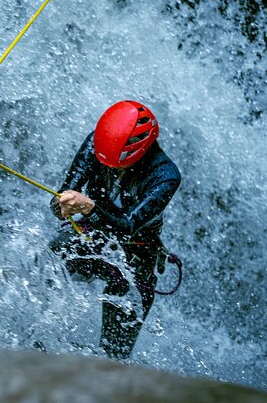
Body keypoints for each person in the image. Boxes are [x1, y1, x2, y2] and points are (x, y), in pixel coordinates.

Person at [49, 100, 181, 359]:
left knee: (114, 357)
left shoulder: (165, 175)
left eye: (114, 162)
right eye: (102, 159)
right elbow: (58, 200)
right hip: (92, 237)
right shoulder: (98, 144)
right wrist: (61, 203)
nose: (106, 165)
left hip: (134, 258)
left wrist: (88, 207)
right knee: (47, 261)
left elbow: (128, 227)